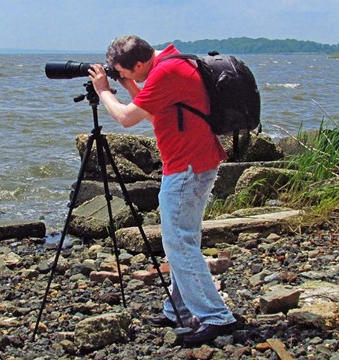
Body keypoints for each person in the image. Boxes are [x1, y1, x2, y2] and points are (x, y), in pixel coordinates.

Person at [88, 35, 238, 345]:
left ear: (140, 63)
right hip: (195, 161)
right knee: (183, 239)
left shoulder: (165, 72)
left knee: (178, 242)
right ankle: (179, 309)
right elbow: (156, 112)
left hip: (187, 167)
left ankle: (215, 316)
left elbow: (127, 118)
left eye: (126, 73)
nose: (124, 77)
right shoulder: (172, 61)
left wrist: (103, 90)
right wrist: (129, 84)